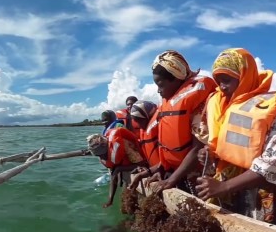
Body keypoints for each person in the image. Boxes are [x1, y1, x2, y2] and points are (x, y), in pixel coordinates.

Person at [194, 48, 276, 224]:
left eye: (226, 80)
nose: (222, 88)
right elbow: (223, 144)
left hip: (268, 191)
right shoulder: (223, 105)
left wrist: (225, 186)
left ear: (244, 76)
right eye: (218, 82)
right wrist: (209, 154)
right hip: (228, 189)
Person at [132, 50, 217, 194]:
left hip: (198, 177)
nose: (158, 90)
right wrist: (162, 168)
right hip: (176, 173)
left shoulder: (201, 102)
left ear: (177, 78)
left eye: (160, 84)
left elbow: (198, 148)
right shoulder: (168, 102)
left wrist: (171, 180)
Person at [87, 127, 147, 208]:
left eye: (102, 155)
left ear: (105, 149)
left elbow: (141, 163)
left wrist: (120, 169)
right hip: (126, 162)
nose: (102, 158)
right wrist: (110, 200)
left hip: (141, 157)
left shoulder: (122, 144)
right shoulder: (108, 155)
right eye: (99, 156)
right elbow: (113, 176)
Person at [128, 100, 160, 168]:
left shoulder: (161, 128)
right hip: (153, 167)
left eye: (139, 121)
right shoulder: (144, 130)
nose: (138, 125)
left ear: (148, 117)